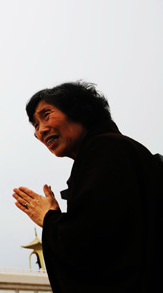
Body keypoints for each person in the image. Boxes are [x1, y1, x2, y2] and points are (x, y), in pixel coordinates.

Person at [12, 81, 162, 292]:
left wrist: (50, 219)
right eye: (35, 125)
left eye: (47, 115)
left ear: (78, 111)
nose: (42, 130)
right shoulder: (110, 150)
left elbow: (94, 247)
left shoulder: (106, 151)